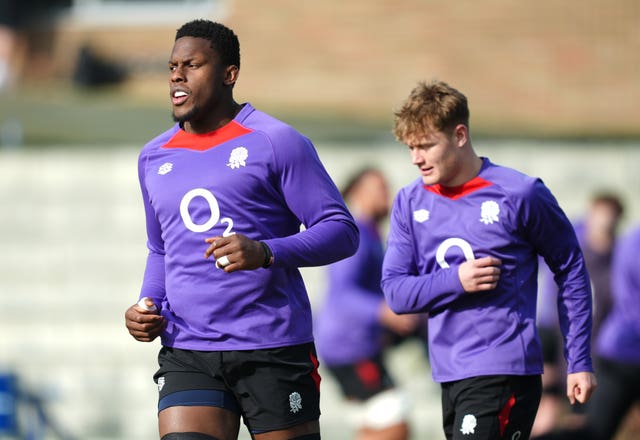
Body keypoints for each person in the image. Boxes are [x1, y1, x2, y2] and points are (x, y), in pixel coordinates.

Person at [124, 19, 359, 440]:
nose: (177, 74)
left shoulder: (276, 142)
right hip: (188, 347)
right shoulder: (153, 156)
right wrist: (148, 304)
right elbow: (160, 249)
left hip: (271, 346)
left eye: (192, 64)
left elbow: (341, 230)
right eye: (172, 66)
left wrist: (266, 252)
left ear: (229, 74)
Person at [380, 80, 597, 440]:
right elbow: (396, 294)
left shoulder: (521, 194)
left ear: (460, 135)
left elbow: (571, 269)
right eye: (410, 147)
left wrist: (578, 360)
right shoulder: (409, 201)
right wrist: (456, 280)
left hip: (505, 367)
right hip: (449, 372)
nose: (416, 158)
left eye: (426, 145)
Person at [314, 168, 423, 440]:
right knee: (394, 424)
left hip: (360, 344)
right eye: (379, 188)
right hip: (348, 346)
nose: (387, 194)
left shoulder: (372, 235)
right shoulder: (356, 235)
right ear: (357, 193)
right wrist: (383, 312)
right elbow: (343, 294)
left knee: (373, 424)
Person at [534, 224, 640, 440]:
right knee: (594, 432)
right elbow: (630, 305)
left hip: (620, 352)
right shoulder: (634, 242)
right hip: (622, 357)